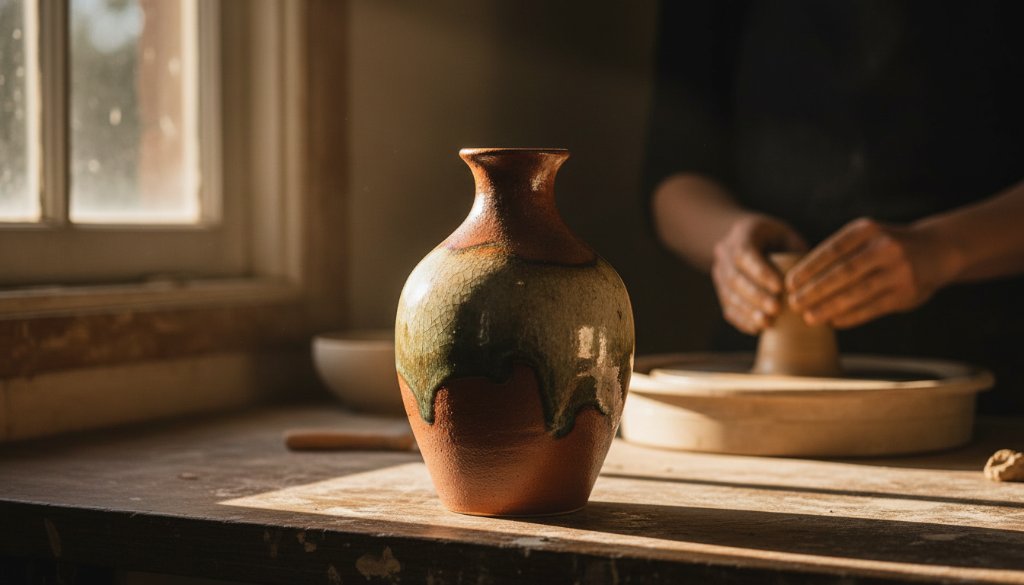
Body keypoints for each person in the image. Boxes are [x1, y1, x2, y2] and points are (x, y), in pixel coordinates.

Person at [645, 1, 1024, 412]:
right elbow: (672, 178)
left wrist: (943, 249)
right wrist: (729, 243)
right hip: (761, 355)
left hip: (987, 357)